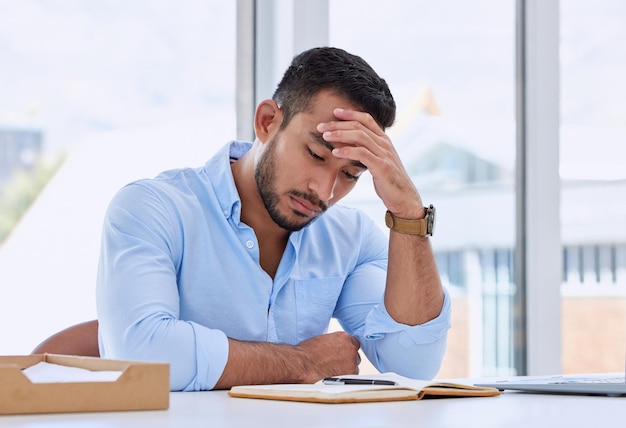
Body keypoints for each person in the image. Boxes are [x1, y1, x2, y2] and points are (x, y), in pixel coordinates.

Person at [96, 46, 451, 391]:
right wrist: (300, 363)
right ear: (267, 122)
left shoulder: (352, 239)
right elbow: (140, 352)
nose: (324, 191)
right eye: (315, 154)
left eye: (350, 175)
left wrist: (409, 214)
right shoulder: (153, 208)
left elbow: (413, 365)